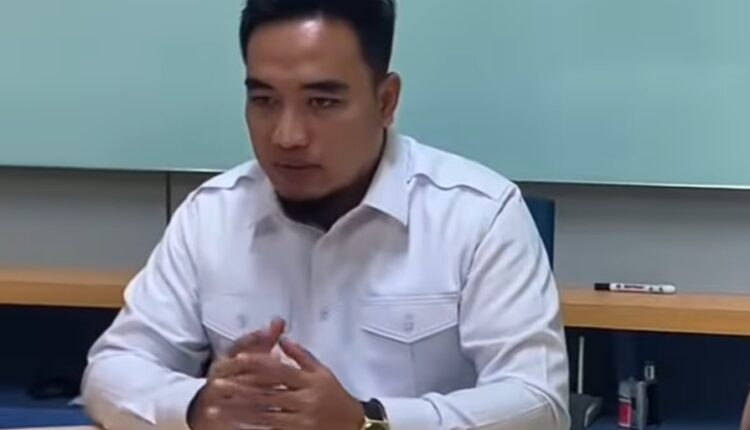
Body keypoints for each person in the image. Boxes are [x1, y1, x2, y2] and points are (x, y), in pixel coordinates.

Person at [81, 1, 570, 429]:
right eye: (264, 100)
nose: (287, 136)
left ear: (386, 101)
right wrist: (196, 407)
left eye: (322, 102)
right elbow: (113, 368)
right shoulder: (211, 215)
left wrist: (369, 421)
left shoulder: (479, 215)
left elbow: (539, 403)